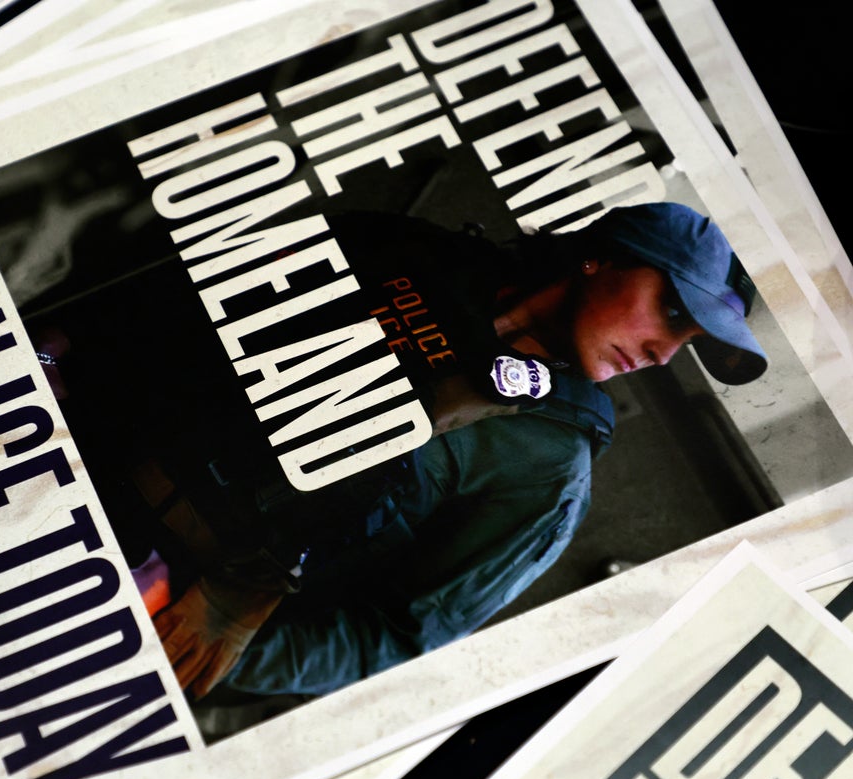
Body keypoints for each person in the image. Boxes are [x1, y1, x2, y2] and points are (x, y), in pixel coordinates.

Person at [130, 201, 767, 700]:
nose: (663, 354)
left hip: (153, 601)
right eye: (671, 310)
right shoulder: (407, 251)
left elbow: (398, 636)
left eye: (686, 341)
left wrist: (203, 643)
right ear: (602, 258)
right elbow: (184, 302)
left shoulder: (549, 468)